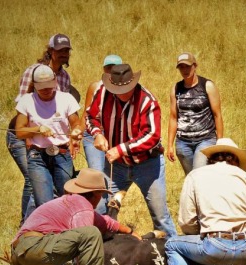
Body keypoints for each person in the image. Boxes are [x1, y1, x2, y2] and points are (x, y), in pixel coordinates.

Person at [2, 168, 139, 265]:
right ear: (96, 194)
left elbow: (107, 222)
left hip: (21, 257)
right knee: (91, 233)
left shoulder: (72, 204)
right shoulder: (82, 206)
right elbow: (85, 239)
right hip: (35, 248)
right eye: (101, 194)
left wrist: (130, 232)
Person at [165, 138, 246, 265]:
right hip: (245, 247)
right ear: (235, 160)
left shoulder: (195, 176)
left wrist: (200, 233)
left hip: (214, 245)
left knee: (171, 244)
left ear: (211, 159)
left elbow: (186, 221)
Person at [86, 63, 177, 237]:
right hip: (117, 166)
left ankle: (174, 256)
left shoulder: (147, 101)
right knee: (100, 208)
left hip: (147, 164)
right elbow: (91, 116)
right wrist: (97, 134)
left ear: (133, 84)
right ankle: (102, 254)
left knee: (160, 215)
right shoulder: (103, 93)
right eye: (116, 89)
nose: (120, 94)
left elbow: (152, 136)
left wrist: (121, 149)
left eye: (125, 89)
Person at [6, 33, 75, 226]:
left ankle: (46, 223)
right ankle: (26, 226)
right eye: (60, 51)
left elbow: (61, 108)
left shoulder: (63, 76)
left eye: (66, 51)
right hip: (23, 136)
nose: (64, 54)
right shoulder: (33, 72)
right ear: (50, 51)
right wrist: (32, 137)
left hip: (50, 137)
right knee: (33, 179)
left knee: (49, 183)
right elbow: (23, 107)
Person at [15, 64, 83, 208]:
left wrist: (76, 132)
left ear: (55, 82)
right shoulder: (26, 101)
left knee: (66, 198)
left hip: (62, 154)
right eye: (42, 87)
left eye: (49, 86)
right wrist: (38, 129)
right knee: (44, 203)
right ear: (34, 85)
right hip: (37, 157)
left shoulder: (66, 99)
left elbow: (76, 125)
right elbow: (19, 132)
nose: (46, 90)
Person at [167, 52, 224, 175]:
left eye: (188, 66)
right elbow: (173, 117)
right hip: (183, 142)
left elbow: (217, 115)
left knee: (199, 174)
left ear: (195, 66)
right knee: (191, 178)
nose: (185, 70)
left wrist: (220, 143)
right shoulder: (176, 89)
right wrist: (170, 145)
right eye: (181, 67)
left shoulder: (207, 86)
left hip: (206, 139)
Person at [80, 54, 123, 214]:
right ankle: (99, 216)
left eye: (114, 67)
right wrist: (80, 134)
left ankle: (109, 217)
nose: (111, 70)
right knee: (98, 175)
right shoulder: (96, 86)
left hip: (114, 134)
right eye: (108, 67)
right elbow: (87, 112)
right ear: (103, 69)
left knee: (111, 177)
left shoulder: (125, 87)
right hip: (94, 134)